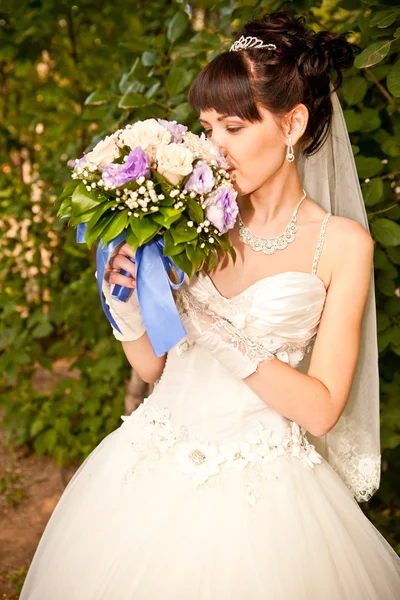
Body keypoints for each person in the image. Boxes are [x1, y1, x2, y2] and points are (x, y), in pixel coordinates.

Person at [20, 11, 400, 600]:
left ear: (292, 124)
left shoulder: (343, 245)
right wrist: (126, 310)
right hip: (150, 467)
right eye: (206, 127)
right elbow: (157, 369)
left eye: (232, 126)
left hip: (267, 494)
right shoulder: (193, 219)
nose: (214, 146)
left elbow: (322, 410)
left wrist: (209, 323)